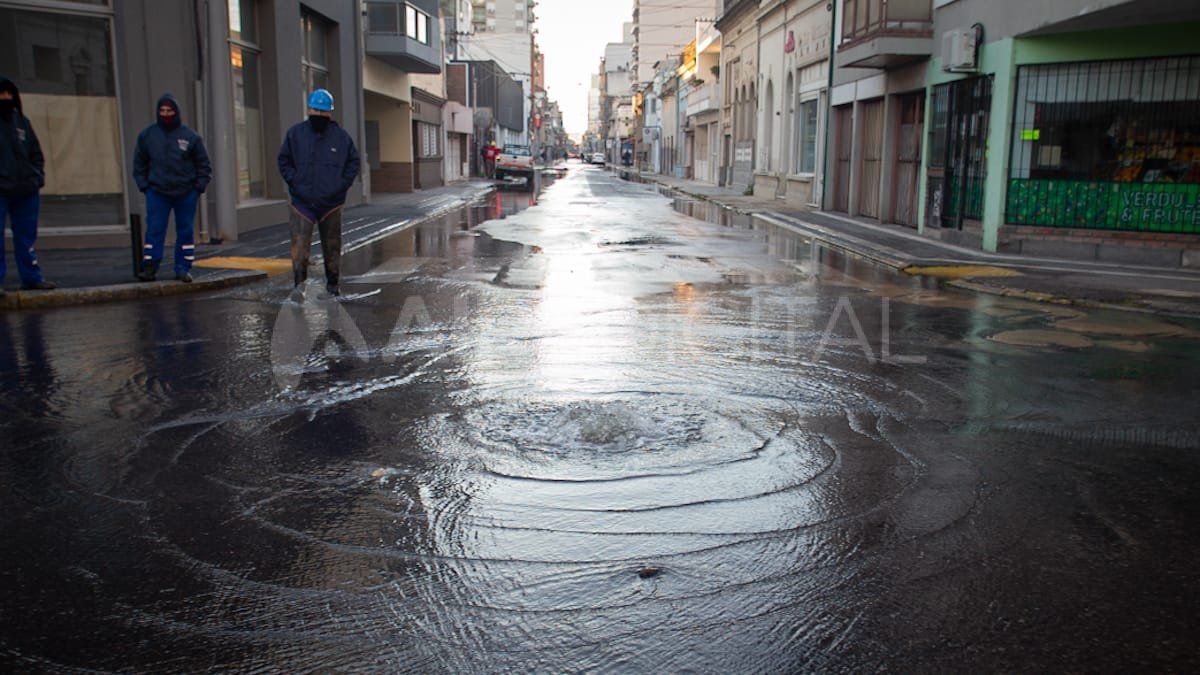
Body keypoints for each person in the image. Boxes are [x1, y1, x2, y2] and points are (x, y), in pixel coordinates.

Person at [277, 89, 360, 296]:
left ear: (330, 113)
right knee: (300, 246)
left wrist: (341, 186)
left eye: (323, 112)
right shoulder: (295, 134)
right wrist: (295, 182)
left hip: (331, 203)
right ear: (309, 109)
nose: (319, 115)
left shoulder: (341, 138)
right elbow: (284, 160)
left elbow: (353, 162)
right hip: (302, 202)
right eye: (316, 110)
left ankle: (333, 284)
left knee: (332, 245)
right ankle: (299, 285)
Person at [133, 93, 212, 283]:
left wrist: (197, 188)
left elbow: (203, 165)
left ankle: (183, 268)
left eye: (169, 110)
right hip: (157, 192)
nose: (165, 114)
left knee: (185, 231)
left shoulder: (190, 137)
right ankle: (150, 267)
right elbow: (139, 163)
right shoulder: (148, 136)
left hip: (185, 192)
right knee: (155, 229)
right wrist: (145, 186)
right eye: (162, 110)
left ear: (176, 112)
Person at [0, 75, 55, 296]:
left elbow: (36, 153)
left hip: (26, 189)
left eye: (8, 94)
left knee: (26, 237)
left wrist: (37, 177)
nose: (5, 98)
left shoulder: (22, 122)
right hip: (2, 189)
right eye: (1, 94)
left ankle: (32, 278)